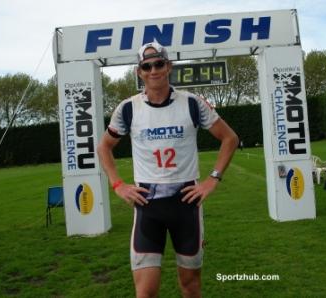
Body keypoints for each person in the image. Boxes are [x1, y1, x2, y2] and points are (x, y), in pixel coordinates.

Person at [97, 42, 239, 298]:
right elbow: (104, 147)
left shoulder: (192, 102)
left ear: (169, 66)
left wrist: (213, 179)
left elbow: (230, 138)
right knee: (146, 293)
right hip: (148, 207)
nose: (154, 70)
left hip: (186, 205)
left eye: (159, 64)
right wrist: (118, 184)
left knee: (190, 286)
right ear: (139, 72)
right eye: (147, 66)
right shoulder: (128, 108)